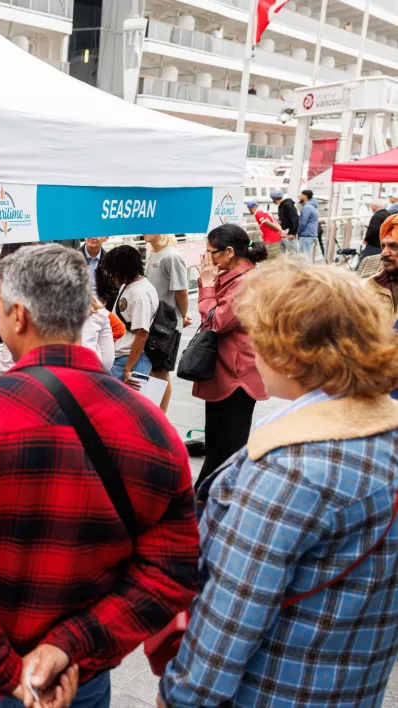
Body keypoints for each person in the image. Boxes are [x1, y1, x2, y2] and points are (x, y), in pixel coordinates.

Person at [0, 245, 197, 708]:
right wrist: (70, 646)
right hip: (76, 682)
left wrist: (7, 673)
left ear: (19, 316)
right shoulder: (151, 426)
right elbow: (170, 571)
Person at [160, 262, 398, 707]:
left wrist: (179, 693)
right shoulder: (383, 433)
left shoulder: (289, 467)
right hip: (356, 687)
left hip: (269, 690)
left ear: (289, 352)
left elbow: (232, 616)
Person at [193, 223, 270, 481]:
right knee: (215, 441)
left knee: (227, 447)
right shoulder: (235, 277)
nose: (207, 259)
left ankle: (208, 500)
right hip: (226, 370)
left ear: (228, 252)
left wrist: (206, 286)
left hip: (237, 376)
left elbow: (217, 321)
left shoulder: (247, 282)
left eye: (210, 253)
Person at [144, 234, 191, 411]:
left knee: (160, 371)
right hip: (153, 322)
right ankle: (156, 415)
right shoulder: (154, 254)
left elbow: (182, 291)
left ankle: (160, 417)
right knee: (154, 371)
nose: (145, 231)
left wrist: (183, 315)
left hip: (166, 325)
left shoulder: (172, 256)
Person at [102, 244, 159, 387]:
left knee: (130, 407)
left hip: (130, 359)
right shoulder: (127, 286)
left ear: (122, 270)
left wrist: (128, 368)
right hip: (120, 356)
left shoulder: (140, 294)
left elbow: (142, 333)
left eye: (112, 272)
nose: (111, 277)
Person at [80, 237, 118, 311]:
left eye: (97, 234)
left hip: (103, 309)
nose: (93, 237)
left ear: (106, 238)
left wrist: (102, 303)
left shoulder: (111, 261)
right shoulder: (71, 258)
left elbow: (114, 291)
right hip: (78, 309)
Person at [298, 189, 320, 260]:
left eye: (301, 195)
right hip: (312, 234)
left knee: (304, 257)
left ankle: (305, 271)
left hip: (306, 235)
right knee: (309, 256)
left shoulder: (307, 207)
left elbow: (303, 222)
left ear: (305, 196)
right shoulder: (313, 207)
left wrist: (297, 232)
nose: (299, 197)